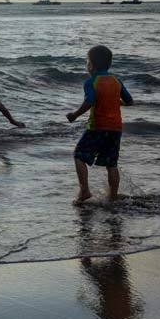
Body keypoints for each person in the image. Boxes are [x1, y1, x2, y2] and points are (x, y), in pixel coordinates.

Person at [66, 44, 134, 205]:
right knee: (111, 163)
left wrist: (74, 115)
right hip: (116, 128)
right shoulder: (117, 80)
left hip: (97, 127)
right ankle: (113, 196)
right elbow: (130, 101)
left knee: (79, 155)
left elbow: (89, 101)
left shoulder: (91, 82)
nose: (86, 65)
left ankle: (84, 190)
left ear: (91, 65)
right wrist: (118, 103)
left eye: (87, 61)